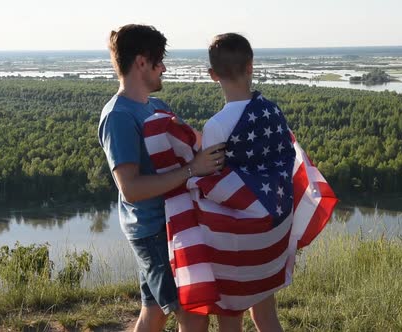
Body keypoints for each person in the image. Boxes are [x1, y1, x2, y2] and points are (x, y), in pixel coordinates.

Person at [97, 24, 224, 332]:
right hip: (153, 230)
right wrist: (193, 169)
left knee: (154, 313)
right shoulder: (119, 117)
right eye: (159, 61)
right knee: (193, 315)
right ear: (142, 62)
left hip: (168, 224)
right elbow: (130, 189)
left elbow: (193, 145)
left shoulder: (156, 106)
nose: (164, 68)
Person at [202, 32, 284, 332]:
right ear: (251, 66)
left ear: (212, 75)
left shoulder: (217, 126)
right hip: (269, 232)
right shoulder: (272, 111)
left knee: (230, 319)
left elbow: (210, 182)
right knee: (265, 315)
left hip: (234, 241)